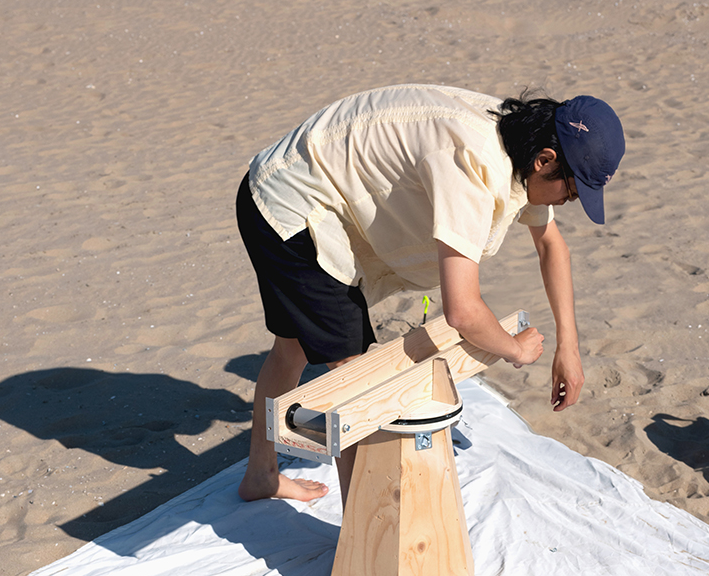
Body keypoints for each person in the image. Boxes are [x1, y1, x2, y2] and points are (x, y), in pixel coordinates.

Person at [235, 83, 624, 504]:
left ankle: (261, 475)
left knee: (292, 347)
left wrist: (569, 347)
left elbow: (552, 247)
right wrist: (516, 349)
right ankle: (364, 542)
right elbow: (463, 311)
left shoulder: (522, 143)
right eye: (572, 190)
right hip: (291, 205)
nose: (569, 201)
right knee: (360, 384)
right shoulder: (472, 164)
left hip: (300, 181)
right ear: (545, 160)